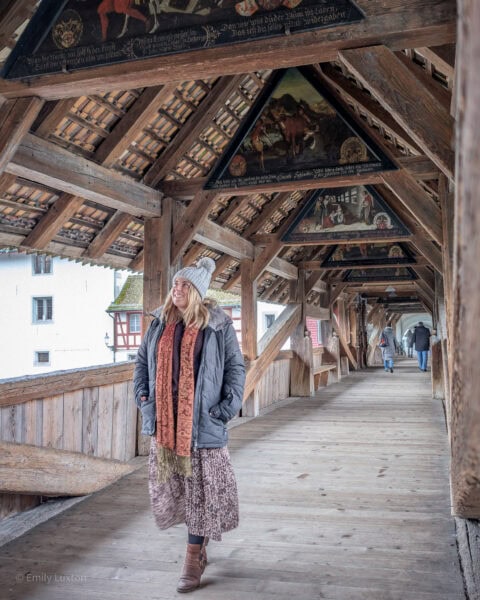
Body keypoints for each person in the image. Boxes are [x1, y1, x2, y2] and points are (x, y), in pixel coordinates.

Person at [133, 257, 245, 593]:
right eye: (175, 284)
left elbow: (236, 368)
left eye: (183, 285)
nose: (176, 289)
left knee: (200, 493)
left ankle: (192, 558)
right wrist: (142, 397)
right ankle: (199, 545)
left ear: (196, 291)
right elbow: (141, 362)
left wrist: (226, 409)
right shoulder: (159, 323)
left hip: (202, 424)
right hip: (166, 424)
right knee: (180, 492)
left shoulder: (217, 325)